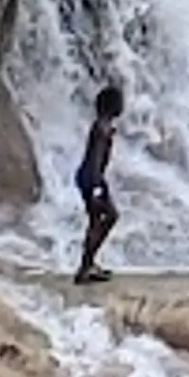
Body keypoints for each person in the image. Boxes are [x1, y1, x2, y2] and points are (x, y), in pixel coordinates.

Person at [71, 83, 126, 284]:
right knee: (109, 216)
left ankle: (88, 265)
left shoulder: (104, 126)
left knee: (97, 220)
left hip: (92, 178)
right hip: (91, 178)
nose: (124, 105)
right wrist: (96, 187)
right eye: (120, 102)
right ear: (113, 106)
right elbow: (95, 158)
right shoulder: (101, 129)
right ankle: (85, 266)